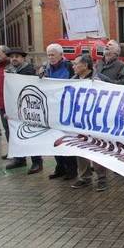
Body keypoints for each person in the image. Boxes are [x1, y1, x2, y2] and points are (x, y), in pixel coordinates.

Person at [69, 55, 109, 192]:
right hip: (79, 122)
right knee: (80, 149)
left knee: (97, 149)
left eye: (75, 64)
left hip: (95, 122)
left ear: (85, 66)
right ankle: (84, 177)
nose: (73, 66)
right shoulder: (73, 81)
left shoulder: (98, 80)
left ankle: (101, 178)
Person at [3, 48, 43, 174]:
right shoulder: (9, 71)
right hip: (15, 108)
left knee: (30, 135)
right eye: (12, 57)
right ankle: (19, 158)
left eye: (17, 56)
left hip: (28, 108)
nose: (14, 58)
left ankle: (37, 161)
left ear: (23, 58)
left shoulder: (29, 71)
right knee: (16, 133)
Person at [42, 43, 78, 180]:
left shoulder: (69, 66)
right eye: (48, 55)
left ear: (60, 55)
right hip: (53, 108)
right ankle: (60, 167)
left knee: (67, 139)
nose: (50, 57)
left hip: (67, 108)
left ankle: (71, 169)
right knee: (54, 139)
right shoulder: (45, 68)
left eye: (53, 55)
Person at [0, 45, 11, 159]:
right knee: (7, 130)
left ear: (5, 54)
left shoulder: (9, 67)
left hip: (9, 105)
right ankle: (12, 151)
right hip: (1, 104)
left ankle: (18, 154)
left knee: (12, 130)